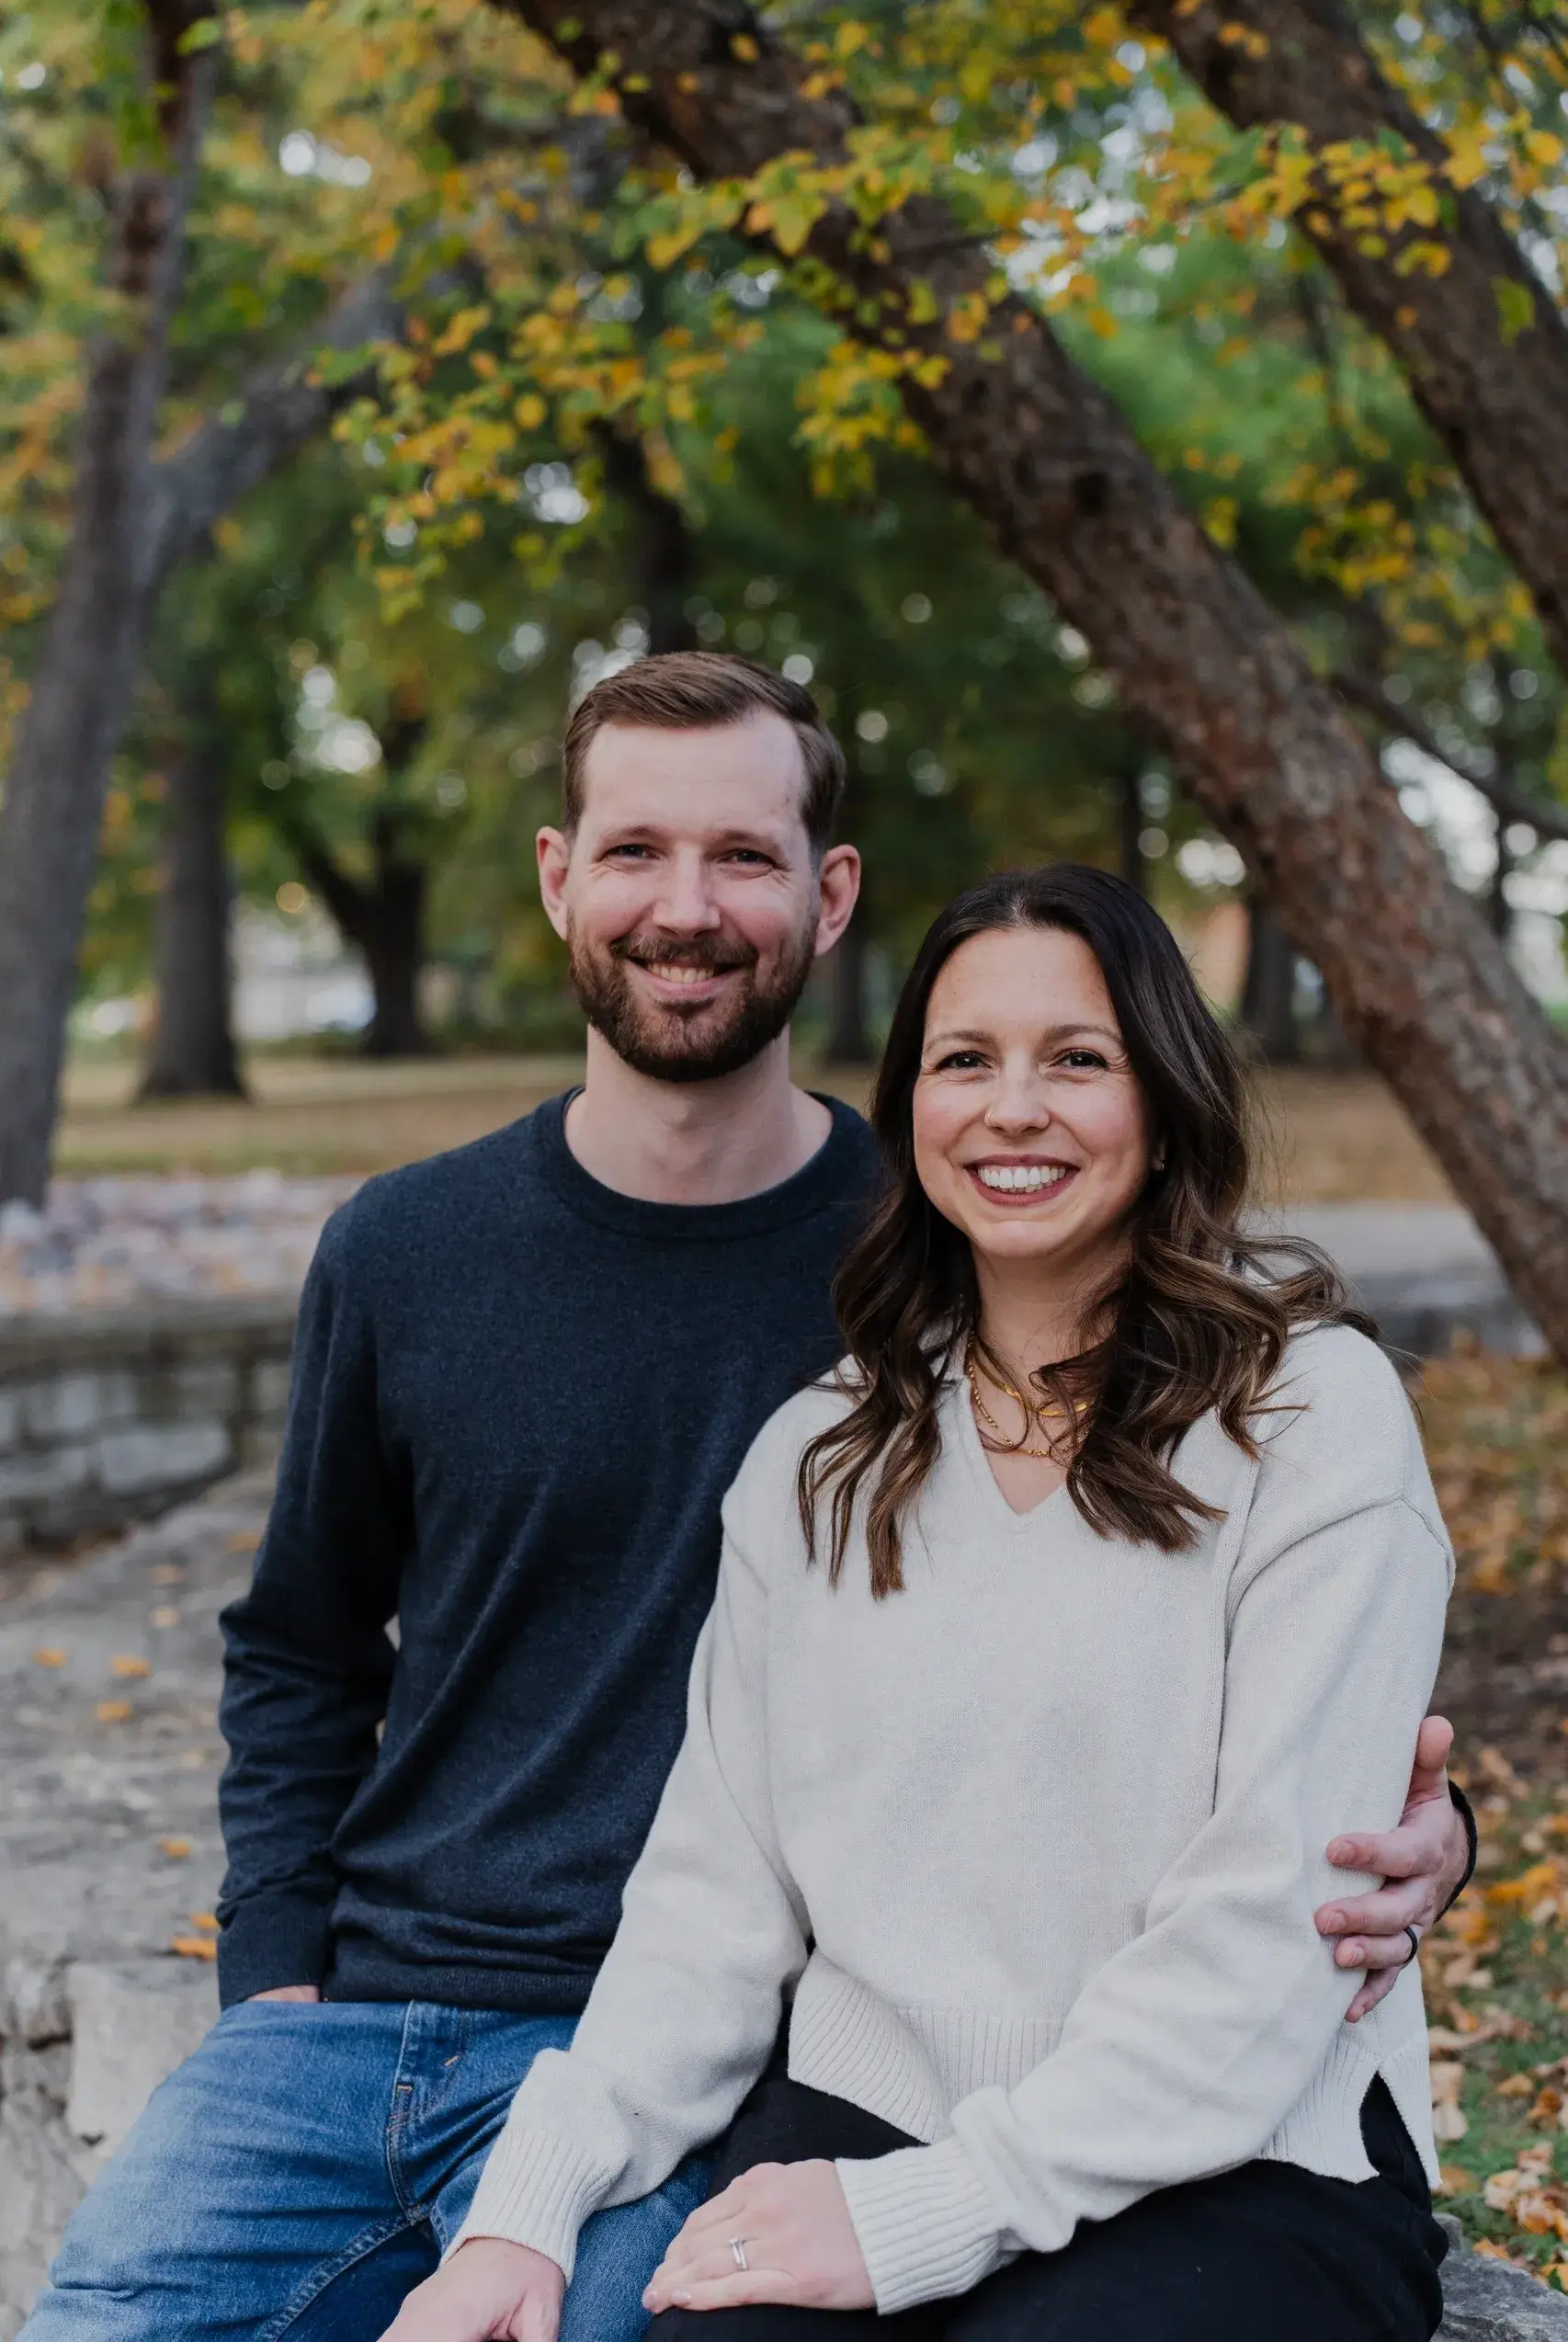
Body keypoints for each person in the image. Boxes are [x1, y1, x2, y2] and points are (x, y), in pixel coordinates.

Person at [21, 662, 1469, 2342]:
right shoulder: (514, 1296)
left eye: (744, 857)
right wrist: (284, 1979)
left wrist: (1411, 1834)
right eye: (637, 850)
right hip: (420, 2024)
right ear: (562, 874)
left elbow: (1248, 1758)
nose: (686, 910)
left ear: (827, 895)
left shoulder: (980, 1268)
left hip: (853, 2083)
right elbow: (309, 1649)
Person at [391, 863, 1457, 2342]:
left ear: (1162, 1103)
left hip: (1240, 2157)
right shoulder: (816, 1462)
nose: (1011, 1107)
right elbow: (711, 1903)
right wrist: (519, 2220)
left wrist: (929, 2218)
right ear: (910, 1113)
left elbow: (1270, 1936)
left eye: (1076, 1060)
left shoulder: (1311, 1420)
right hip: (865, 2112)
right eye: (964, 1062)